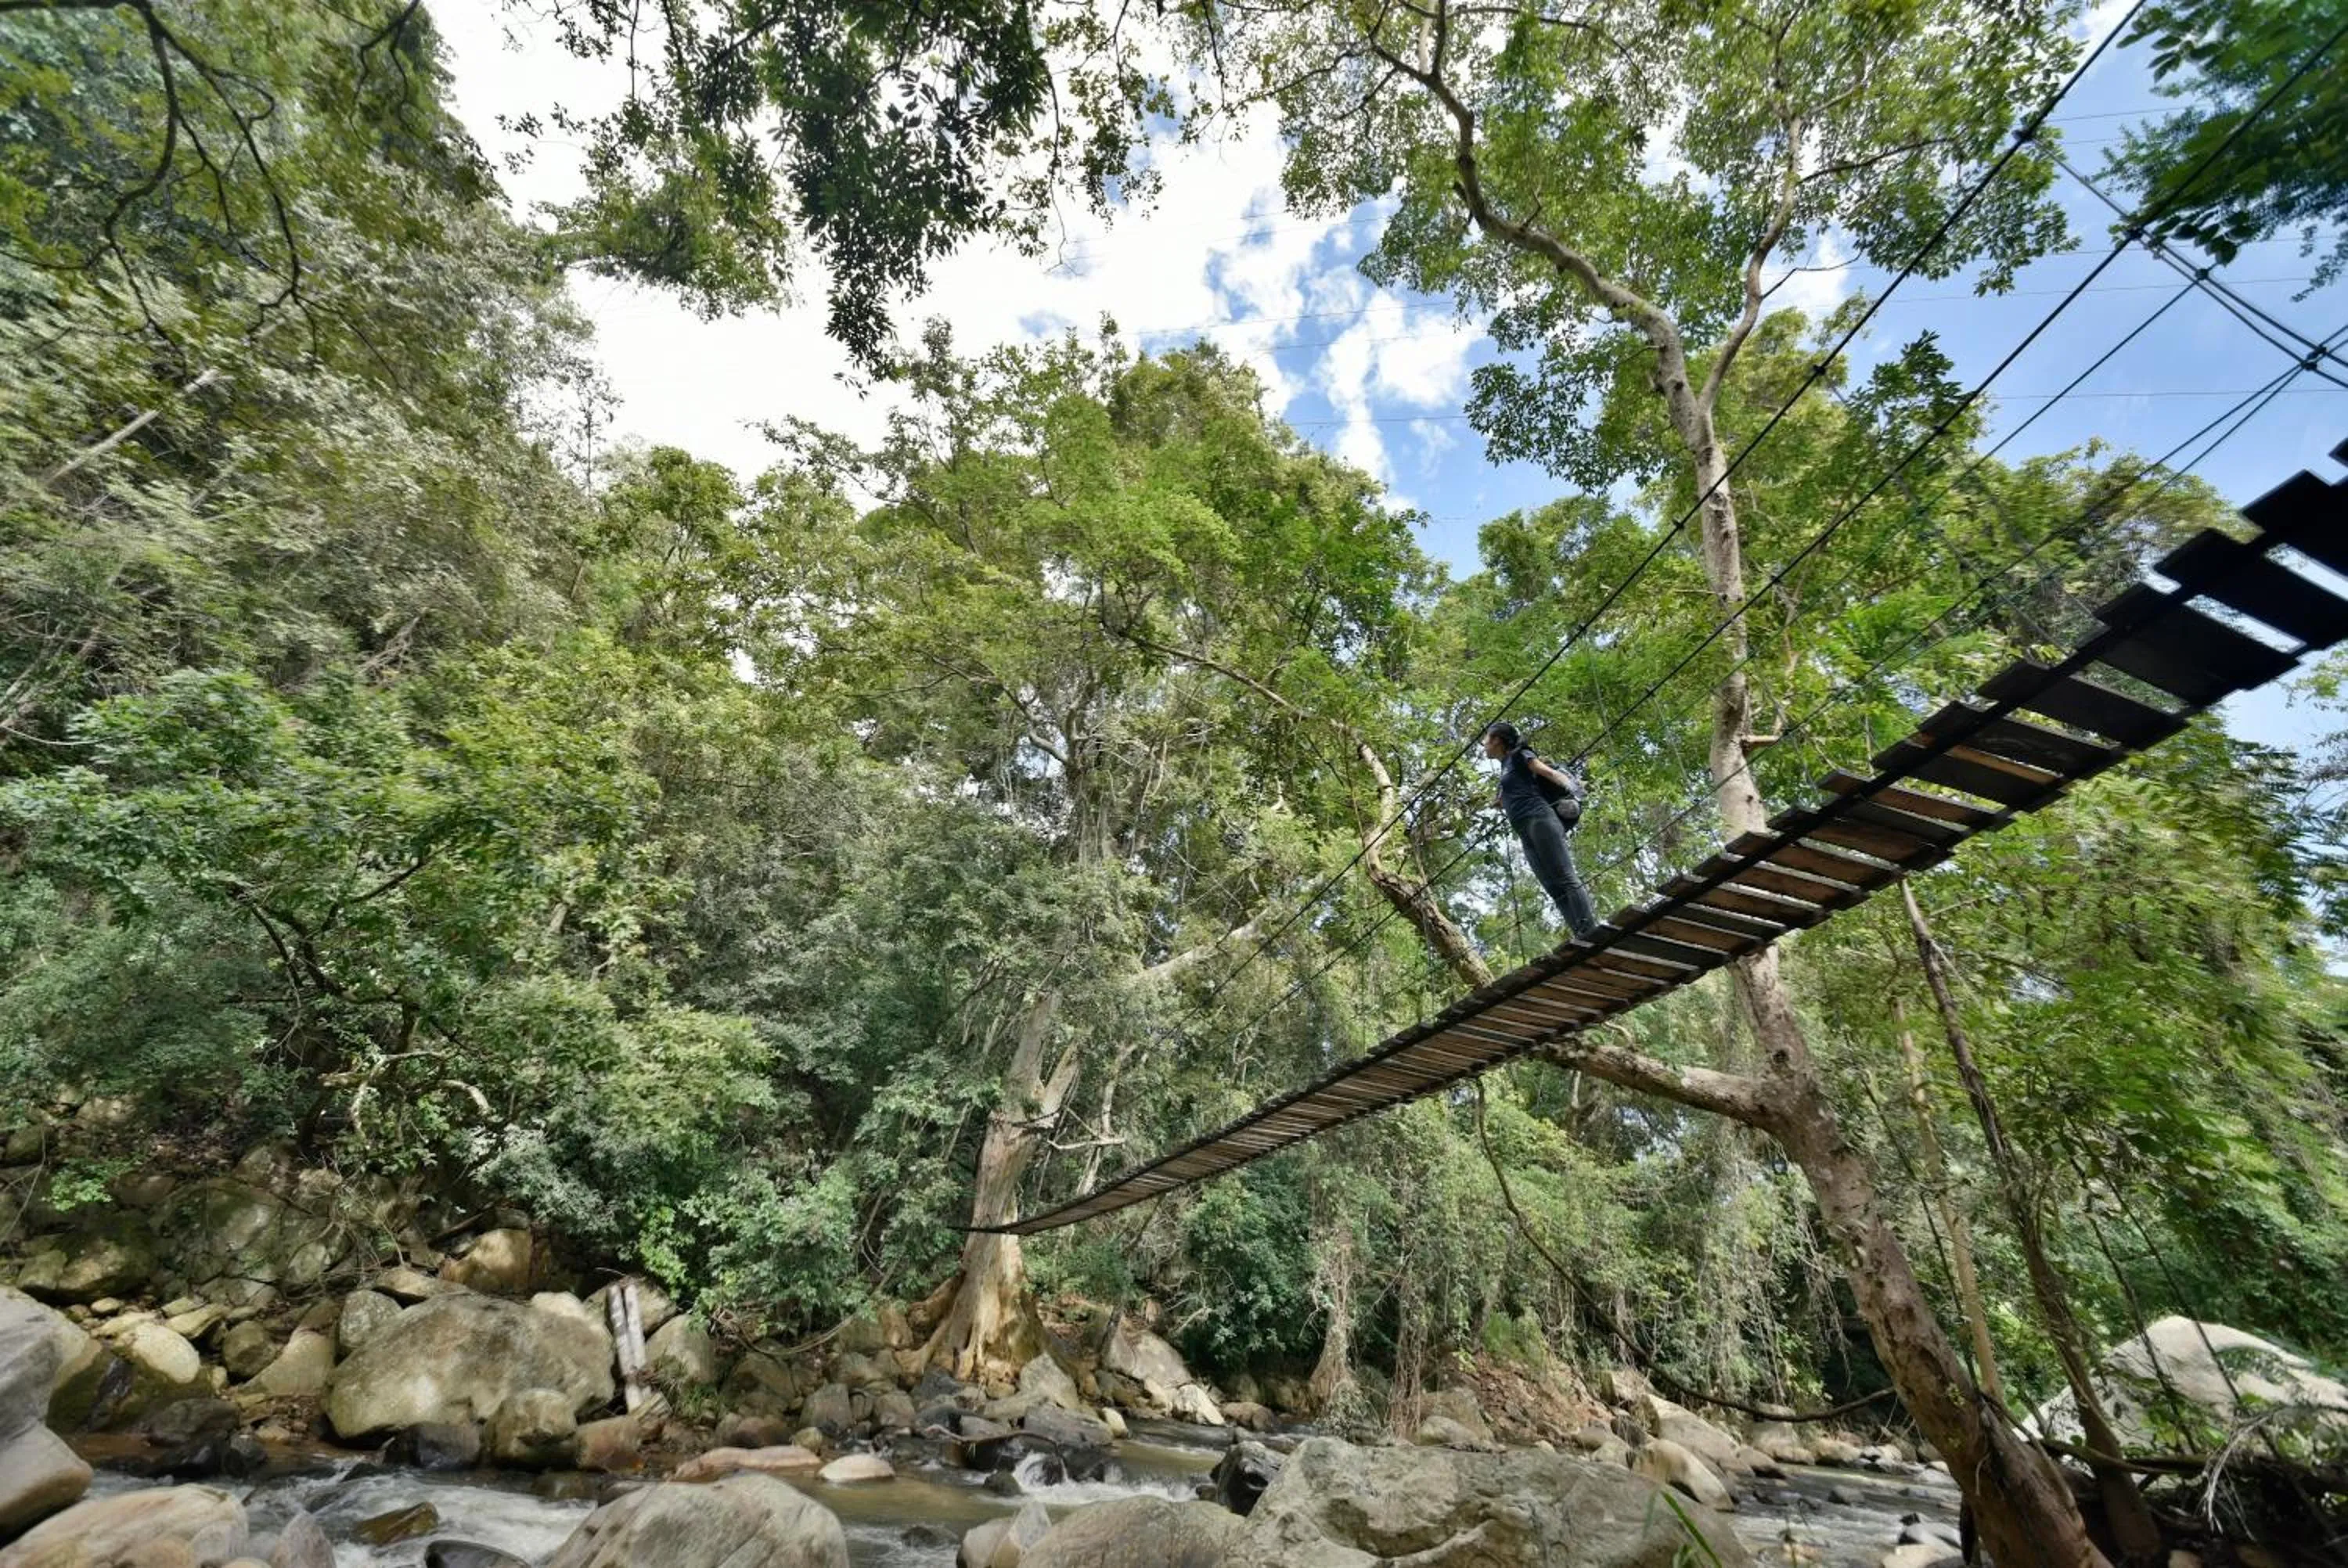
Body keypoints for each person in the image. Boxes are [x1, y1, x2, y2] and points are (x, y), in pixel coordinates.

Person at [1483, 721, 1599, 939]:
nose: (1483, 745)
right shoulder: (1505, 766)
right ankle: (1580, 935)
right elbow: (1513, 790)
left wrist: (1575, 789)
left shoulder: (1520, 755)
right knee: (1552, 887)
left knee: (1565, 876)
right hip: (1524, 830)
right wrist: (1500, 801)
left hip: (1539, 818)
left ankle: (1590, 931)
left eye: (1486, 740)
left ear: (1497, 740)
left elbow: (1546, 772)